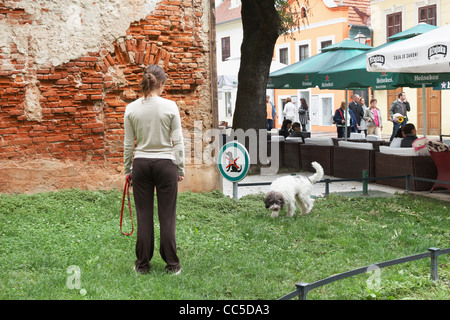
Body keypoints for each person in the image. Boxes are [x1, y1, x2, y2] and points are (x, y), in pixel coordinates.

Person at [124, 65, 185, 275]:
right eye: (164, 84)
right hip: (166, 164)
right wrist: (180, 166)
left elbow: (128, 144)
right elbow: (178, 141)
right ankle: (172, 264)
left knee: (144, 216)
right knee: (167, 216)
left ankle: (142, 265)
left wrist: (127, 170)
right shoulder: (170, 106)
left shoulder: (131, 108)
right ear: (160, 84)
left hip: (141, 164)